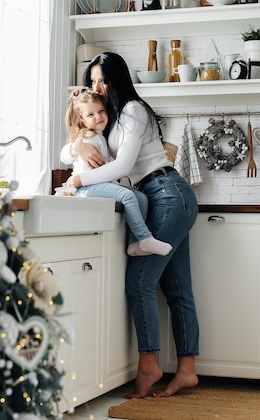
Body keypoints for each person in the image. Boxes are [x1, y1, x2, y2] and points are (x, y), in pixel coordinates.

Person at [66, 52, 199, 399]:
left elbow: (123, 164)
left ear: (118, 79)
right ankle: (186, 372)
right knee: (176, 287)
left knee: (139, 281)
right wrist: (79, 144)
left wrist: (79, 181)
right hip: (158, 197)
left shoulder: (134, 111)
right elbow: (82, 146)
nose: (97, 87)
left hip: (169, 194)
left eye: (103, 80)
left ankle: (148, 365)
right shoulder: (109, 117)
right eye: (92, 80)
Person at [60, 88, 172, 257]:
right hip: (86, 188)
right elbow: (65, 156)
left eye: (101, 111)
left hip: (98, 185)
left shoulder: (100, 136)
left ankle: (134, 244)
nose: (98, 117)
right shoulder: (87, 137)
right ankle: (145, 238)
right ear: (81, 120)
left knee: (141, 198)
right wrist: (77, 147)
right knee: (128, 196)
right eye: (90, 115)